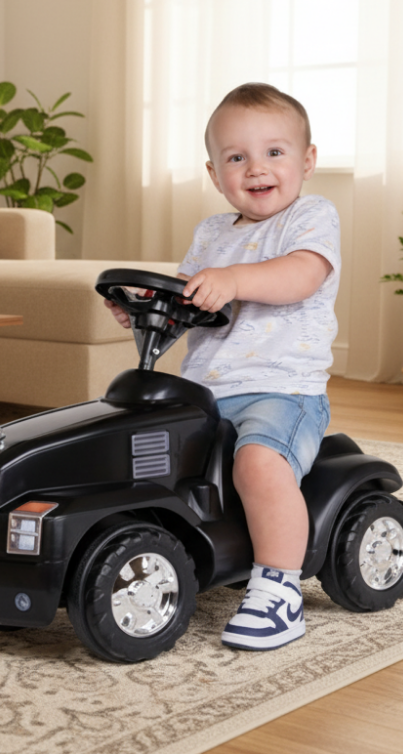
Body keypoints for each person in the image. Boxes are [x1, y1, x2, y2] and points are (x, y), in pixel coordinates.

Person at [105, 82, 341, 652]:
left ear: (307, 160)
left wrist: (233, 281)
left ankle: (278, 590)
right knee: (142, 452)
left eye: (274, 153)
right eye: (237, 157)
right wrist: (145, 304)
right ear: (215, 173)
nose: (256, 168)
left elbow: (301, 276)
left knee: (258, 464)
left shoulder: (310, 218)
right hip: (206, 392)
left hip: (281, 392)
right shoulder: (212, 233)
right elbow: (190, 302)